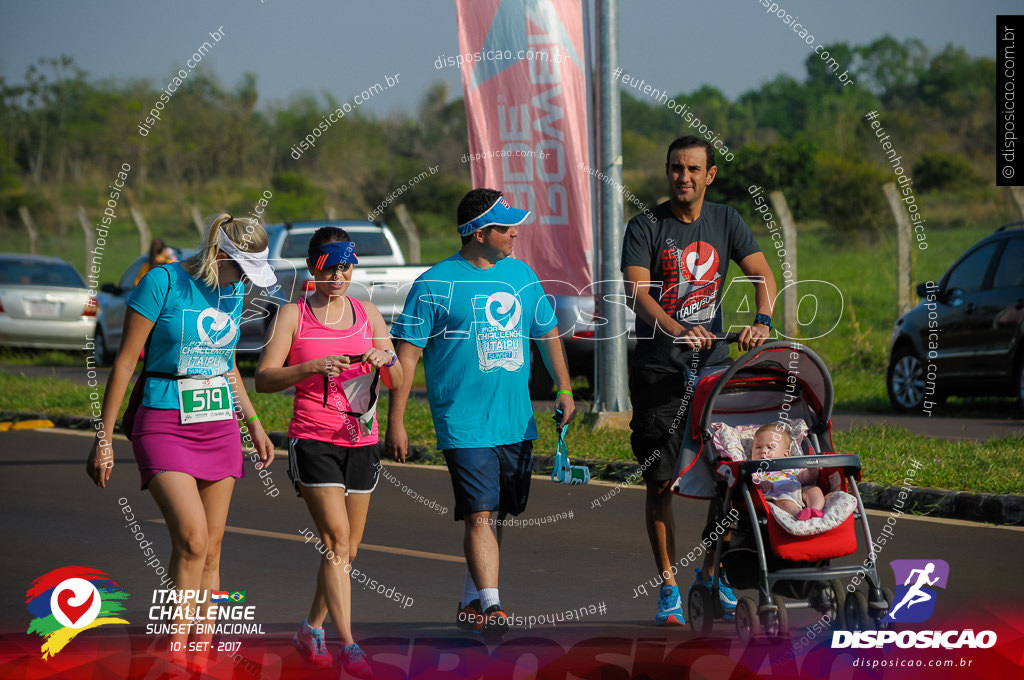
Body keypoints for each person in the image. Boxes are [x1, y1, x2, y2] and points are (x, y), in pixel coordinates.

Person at [86, 214, 277, 670]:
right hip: (163, 419)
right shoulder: (163, 282)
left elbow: (226, 362)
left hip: (219, 426)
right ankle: (174, 658)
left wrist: (252, 421)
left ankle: (200, 661)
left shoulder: (232, 292)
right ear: (220, 255)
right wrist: (105, 438)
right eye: (243, 270)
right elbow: (126, 362)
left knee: (210, 552)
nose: (247, 283)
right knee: (191, 540)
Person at [386, 188, 576, 638]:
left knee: (498, 513)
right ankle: (492, 604)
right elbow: (407, 356)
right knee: (480, 514)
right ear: (478, 232)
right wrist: (395, 421)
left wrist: (565, 390)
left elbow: (547, 335)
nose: (515, 232)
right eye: (505, 226)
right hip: (462, 422)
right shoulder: (434, 283)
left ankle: (473, 595)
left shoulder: (523, 277)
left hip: (515, 420)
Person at [621, 135, 778, 625]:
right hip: (659, 373)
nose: (682, 177)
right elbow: (637, 293)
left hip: (714, 371)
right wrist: (675, 328)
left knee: (729, 483)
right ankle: (667, 587)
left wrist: (762, 320)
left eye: (692, 169)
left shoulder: (727, 220)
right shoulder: (646, 225)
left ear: (710, 175)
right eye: (675, 168)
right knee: (661, 483)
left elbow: (761, 274)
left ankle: (711, 572)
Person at [255, 227, 401, 677]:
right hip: (314, 438)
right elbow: (263, 378)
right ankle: (349, 644)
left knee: (348, 550)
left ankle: (311, 626)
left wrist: (384, 361)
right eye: (330, 267)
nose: (339, 276)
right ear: (314, 267)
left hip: (362, 438)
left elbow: (396, 377)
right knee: (336, 541)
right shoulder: (293, 316)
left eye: (346, 267)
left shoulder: (368, 314)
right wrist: (310, 366)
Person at [750, 424, 824, 521]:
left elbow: (806, 478)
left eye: (770, 447)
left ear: (785, 454)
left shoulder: (790, 467)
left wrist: (812, 471)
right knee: (783, 501)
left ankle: (814, 510)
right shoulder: (755, 470)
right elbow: (750, 482)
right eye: (758, 447)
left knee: (814, 489)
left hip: (797, 492)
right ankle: (799, 514)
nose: (763, 451)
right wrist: (760, 484)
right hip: (776, 496)